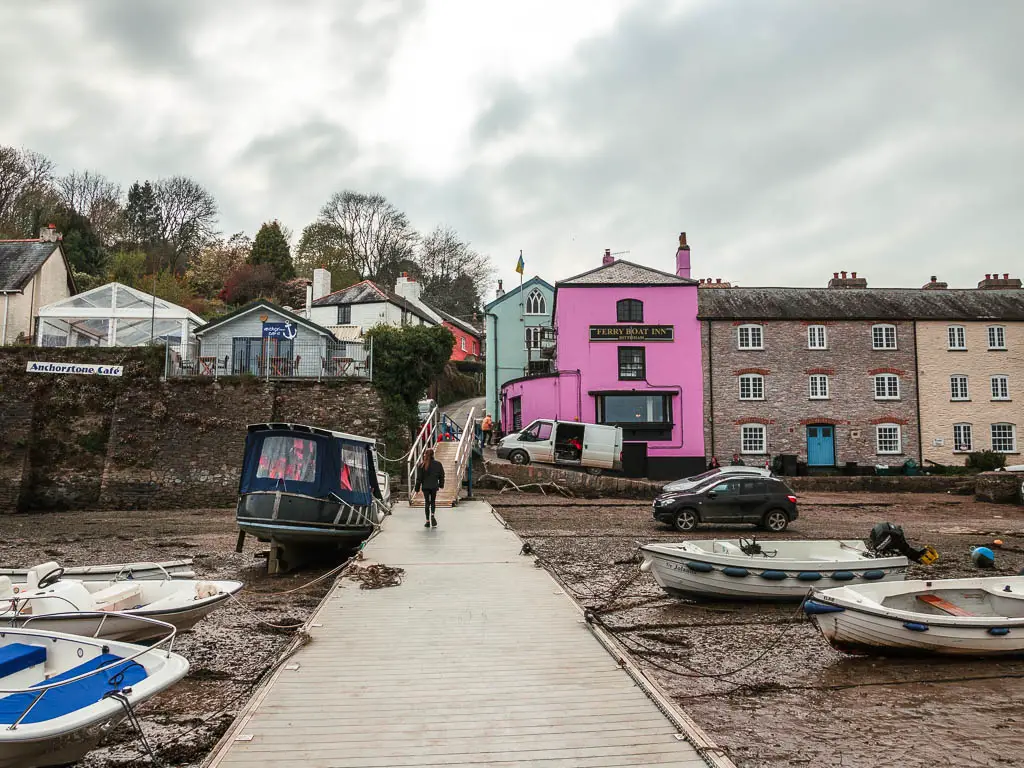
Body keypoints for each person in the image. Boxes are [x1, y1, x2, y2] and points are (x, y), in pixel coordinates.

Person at [415, 447, 445, 528]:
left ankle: (427, 521)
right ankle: (432, 514)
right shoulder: (438, 464)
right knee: (433, 501)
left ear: (425, 455)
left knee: (427, 502)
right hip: (434, 486)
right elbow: (442, 475)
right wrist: (441, 485)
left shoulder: (421, 465)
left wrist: (417, 489)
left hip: (425, 487)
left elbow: (419, 479)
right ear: (433, 455)